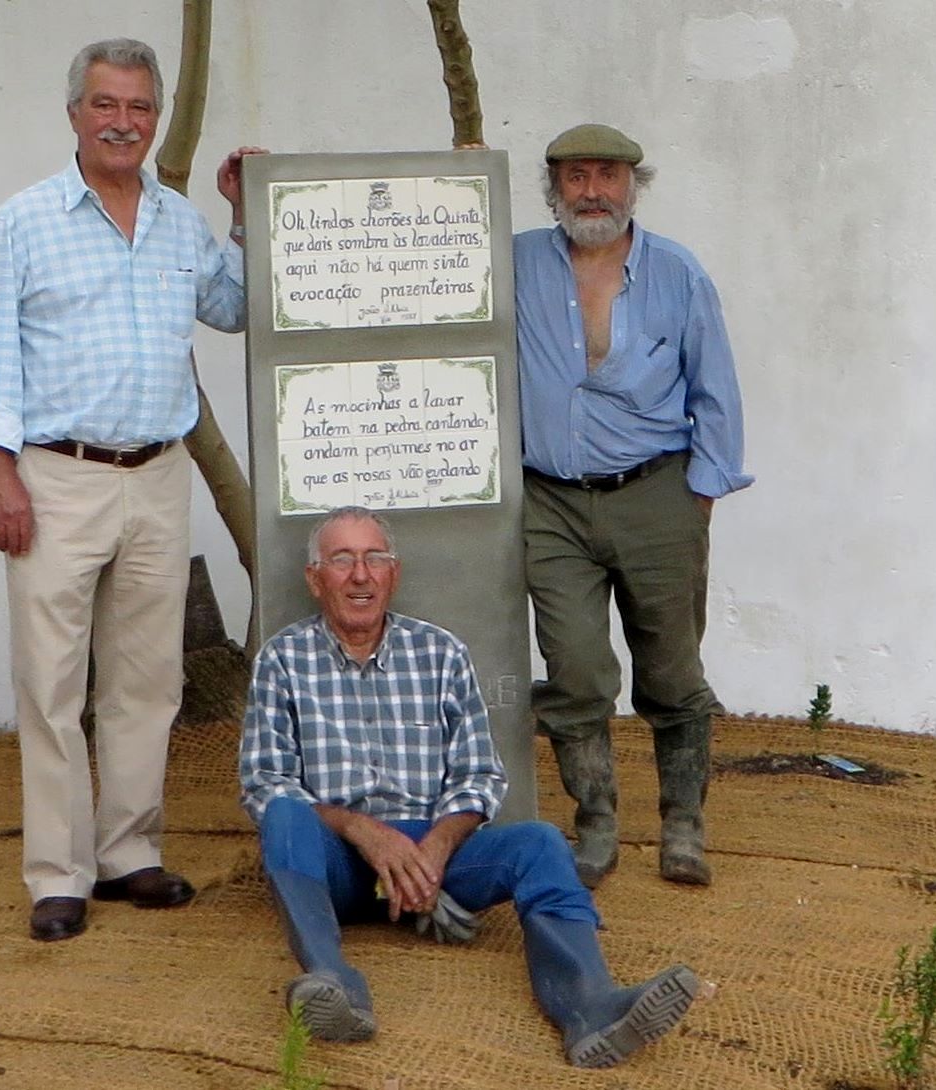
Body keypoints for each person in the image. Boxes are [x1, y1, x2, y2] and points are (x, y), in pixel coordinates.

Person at [0, 37, 263, 942]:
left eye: (139, 107)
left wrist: (242, 216)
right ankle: (59, 873)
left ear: (155, 119)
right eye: (106, 105)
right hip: (56, 477)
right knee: (52, 682)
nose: (123, 123)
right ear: (75, 114)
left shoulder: (177, 221)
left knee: (147, 678)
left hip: (158, 476)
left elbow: (234, 308)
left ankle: (130, 851)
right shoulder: (23, 221)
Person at [239, 506, 700, 1069]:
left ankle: (590, 1007)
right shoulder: (282, 659)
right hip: (337, 862)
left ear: (393, 573)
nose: (361, 574)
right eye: (342, 560)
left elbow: (481, 774)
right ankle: (333, 985)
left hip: (436, 852)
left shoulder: (440, 652)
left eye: (375, 558)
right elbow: (264, 781)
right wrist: (364, 831)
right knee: (284, 815)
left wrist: (435, 848)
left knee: (539, 843)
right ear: (315, 579)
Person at [514, 124, 753, 889]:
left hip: (658, 494)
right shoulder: (514, 262)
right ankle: (596, 823)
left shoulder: (677, 273)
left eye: (607, 175)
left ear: (632, 186)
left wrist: (701, 495)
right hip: (549, 503)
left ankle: (683, 825)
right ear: (555, 188)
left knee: (672, 672)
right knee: (576, 670)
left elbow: (715, 387)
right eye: (576, 176)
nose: (592, 191)